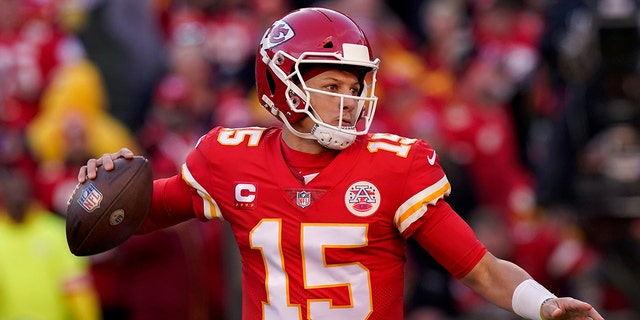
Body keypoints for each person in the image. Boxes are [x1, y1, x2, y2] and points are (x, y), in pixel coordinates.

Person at [77, 7, 605, 320]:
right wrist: (104, 184)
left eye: (355, 87)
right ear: (279, 87)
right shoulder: (228, 158)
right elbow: (135, 213)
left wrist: (545, 305)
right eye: (331, 87)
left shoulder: (395, 166)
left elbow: (482, 270)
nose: (349, 102)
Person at [0, 169, 100, 320]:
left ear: (31, 195)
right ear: (4, 198)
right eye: (11, 194)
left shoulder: (55, 231)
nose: (17, 199)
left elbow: (77, 287)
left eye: (20, 193)